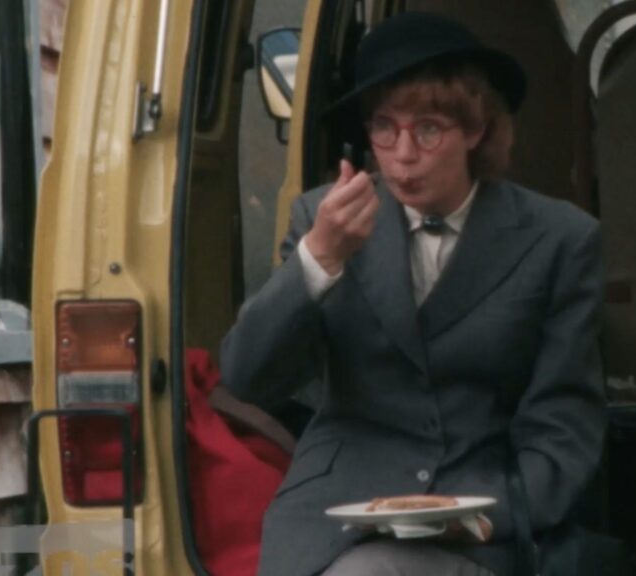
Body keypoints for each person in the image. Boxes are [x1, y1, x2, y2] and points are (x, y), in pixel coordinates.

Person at [220, 11, 607, 576]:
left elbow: (564, 422)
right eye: (385, 127)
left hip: (481, 520)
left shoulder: (559, 239)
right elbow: (247, 377)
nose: (402, 153)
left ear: (476, 130)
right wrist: (318, 259)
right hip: (334, 512)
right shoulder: (321, 218)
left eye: (428, 129)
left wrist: (494, 515)